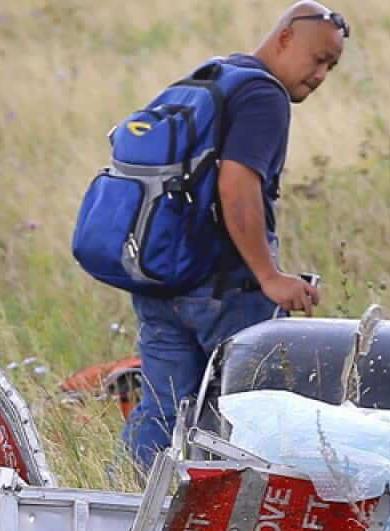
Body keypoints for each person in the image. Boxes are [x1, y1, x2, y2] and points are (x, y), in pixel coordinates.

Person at [121, 2, 348, 470]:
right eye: (318, 59)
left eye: (331, 66)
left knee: (163, 410)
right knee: (249, 417)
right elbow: (237, 185)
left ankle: (123, 494)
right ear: (284, 38)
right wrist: (269, 277)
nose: (321, 76)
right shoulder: (264, 96)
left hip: (161, 280)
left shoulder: (211, 78)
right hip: (225, 291)